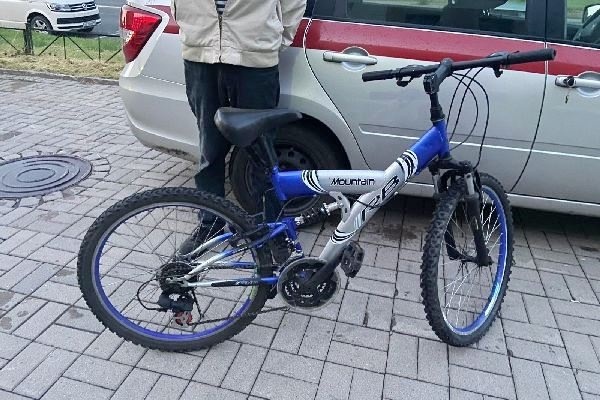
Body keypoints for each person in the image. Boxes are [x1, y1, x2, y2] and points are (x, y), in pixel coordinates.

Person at [172, 0, 307, 254]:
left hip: (255, 58)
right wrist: (191, 29)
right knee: (210, 149)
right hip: (200, 54)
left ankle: (269, 229)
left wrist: (275, 38)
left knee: (261, 152)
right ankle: (210, 223)